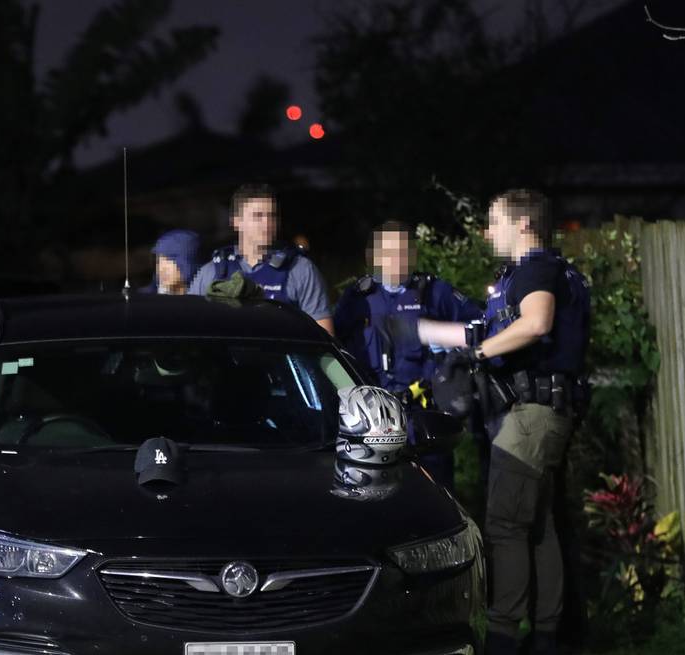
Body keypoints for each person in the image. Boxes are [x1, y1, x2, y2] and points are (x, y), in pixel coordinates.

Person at [397, 189, 590, 655]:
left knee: (504, 524)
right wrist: (422, 333)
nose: (489, 231)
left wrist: (478, 354)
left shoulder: (537, 269)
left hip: (532, 414)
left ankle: (502, 637)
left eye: (495, 221)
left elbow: (536, 323)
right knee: (536, 525)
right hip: (540, 411)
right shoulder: (529, 273)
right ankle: (544, 635)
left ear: (523, 224)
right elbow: (490, 329)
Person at [333, 220, 481, 483]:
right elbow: (334, 348)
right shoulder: (357, 298)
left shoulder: (435, 292)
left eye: (403, 251)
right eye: (388, 253)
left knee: (434, 495)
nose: (396, 260)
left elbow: (479, 327)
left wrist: (445, 337)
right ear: (375, 257)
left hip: (423, 417)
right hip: (371, 419)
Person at [187, 183, 334, 334]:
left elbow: (325, 335)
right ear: (236, 222)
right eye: (258, 216)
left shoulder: (299, 269)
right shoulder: (212, 271)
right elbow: (188, 326)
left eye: (272, 216)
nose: (267, 224)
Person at [142, 229, 200, 295]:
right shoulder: (145, 297)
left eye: (169, 259)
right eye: (158, 261)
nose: (161, 268)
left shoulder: (204, 296)